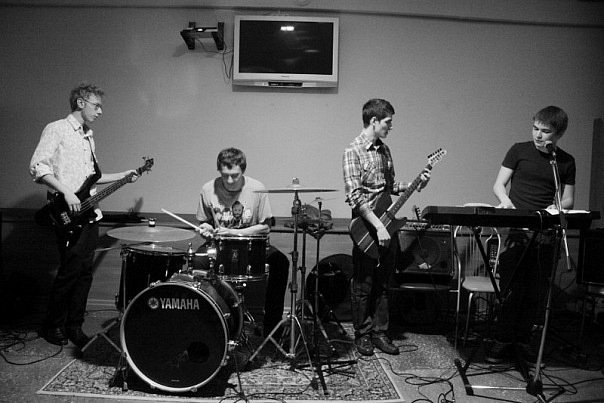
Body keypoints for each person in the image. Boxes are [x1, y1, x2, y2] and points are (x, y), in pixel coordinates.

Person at [30, 82, 139, 350]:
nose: (100, 111)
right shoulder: (56, 129)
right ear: (81, 103)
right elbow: (38, 166)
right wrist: (66, 192)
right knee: (70, 270)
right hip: (66, 212)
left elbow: (92, 179)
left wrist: (125, 175)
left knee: (84, 272)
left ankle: (74, 325)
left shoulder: (88, 136)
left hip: (89, 214)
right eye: (96, 106)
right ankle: (52, 324)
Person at [488, 105, 575, 363]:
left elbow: (568, 199)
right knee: (512, 288)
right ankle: (501, 341)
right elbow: (499, 184)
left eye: (545, 131)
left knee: (535, 291)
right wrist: (506, 202)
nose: (538, 135)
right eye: (535, 128)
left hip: (544, 231)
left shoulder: (565, 161)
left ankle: (524, 342)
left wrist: (554, 209)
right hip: (516, 230)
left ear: (558, 134)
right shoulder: (519, 150)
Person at [343, 99, 430, 356]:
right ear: (374, 121)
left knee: (384, 283)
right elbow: (355, 197)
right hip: (366, 226)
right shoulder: (353, 151)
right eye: (387, 122)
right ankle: (362, 335)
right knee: (363, 284)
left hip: (387, 224)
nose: (391, 127)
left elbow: (389, 187)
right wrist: (378, 226)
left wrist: (416, 184)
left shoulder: (385, 150)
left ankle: (380, 332)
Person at [195, 147, 289, 337]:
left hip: (252, 245)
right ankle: (208, 324)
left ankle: (272, 328)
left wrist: (233, 232)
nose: (230, 180)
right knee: (197, 262)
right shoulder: (208, 189)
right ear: (219, 170)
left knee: (281, 262)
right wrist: (205, 229)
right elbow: (204, 222)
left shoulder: (257, 188)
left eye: (235, 176)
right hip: (218, 246)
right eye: (225, 175)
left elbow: (265, 227)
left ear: (243, 171)